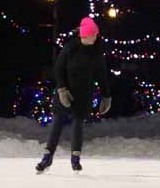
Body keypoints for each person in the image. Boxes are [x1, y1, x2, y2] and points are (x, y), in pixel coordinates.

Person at [35, 17, 112, 173]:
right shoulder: (70, 47)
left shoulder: (97, 51)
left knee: (78, 124)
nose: (95, 37)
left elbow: (101, 75)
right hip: (66, 91)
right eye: (93, 34)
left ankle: (75, 159)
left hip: (84, 94)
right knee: (57, 123)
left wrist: (106, 96)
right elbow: (58, 69)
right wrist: (62, 90)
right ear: (85, 35)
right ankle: (47, 158)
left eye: (96, 34)